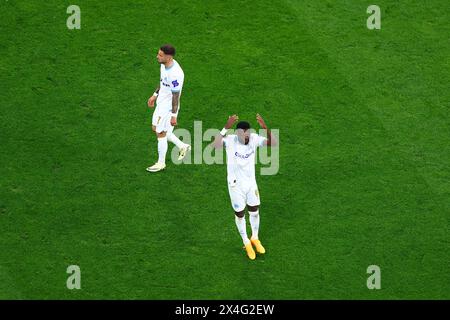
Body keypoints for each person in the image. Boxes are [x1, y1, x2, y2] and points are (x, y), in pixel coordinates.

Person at [213, 114, 277, 260]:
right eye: (243, 134)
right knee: (240, 214)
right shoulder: (230, 141)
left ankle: (255, 238)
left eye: (248, 133)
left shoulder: (254, 139)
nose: (246, 137)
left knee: (254, 211)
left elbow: (273, 143)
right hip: (235, 186)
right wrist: (226, 127)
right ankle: (246, 242)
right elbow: (214, 145)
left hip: (250, 184)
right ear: (237, 134)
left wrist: (265, 127)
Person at [147, 44, 190, 172]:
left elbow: (176, 96)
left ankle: (161, 163)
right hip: (161, 102)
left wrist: (173, 115)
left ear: (169, 57)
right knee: (156, 128)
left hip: (168, 107)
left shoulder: (175, 74)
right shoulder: (163, 65)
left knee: (161, 133)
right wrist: (155, 95)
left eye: (160, 55)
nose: (157, 57)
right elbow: (162, 82)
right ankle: (183, 146)